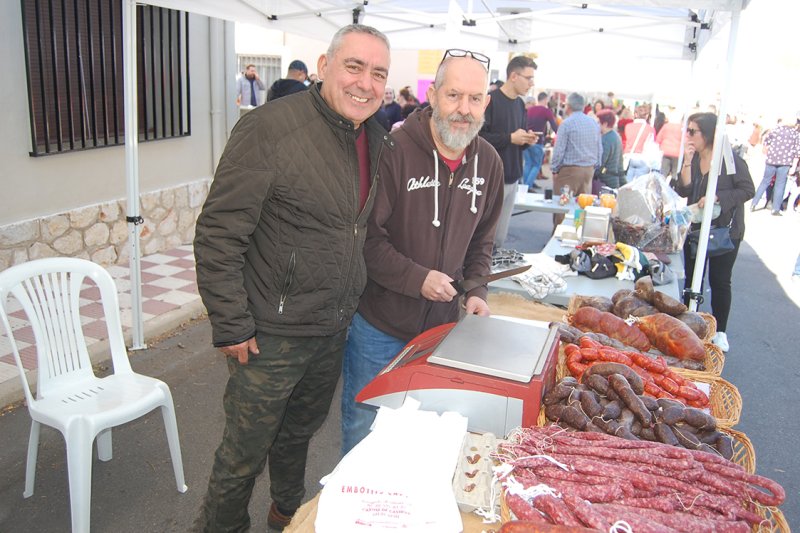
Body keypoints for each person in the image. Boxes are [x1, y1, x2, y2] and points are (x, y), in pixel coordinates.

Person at [192, 24, 392, 533]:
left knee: (299, 434)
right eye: (354, 67)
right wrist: (233, 324)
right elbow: (219, 232)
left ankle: (286, 515)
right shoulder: (270, 128)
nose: (365, 83)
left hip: (329, 329)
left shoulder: (374, 135)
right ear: (324, 67)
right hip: (269, 334)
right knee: (242, 453)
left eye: (378, 73)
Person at [340, 49, 504, 456]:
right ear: (433, 95)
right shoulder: (392, 151)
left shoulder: (490, 163)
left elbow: (483, 241)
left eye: (474, 98)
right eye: (453, 96)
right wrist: (418, 279)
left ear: (486, 103)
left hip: (442, 331)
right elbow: (366, 240)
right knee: (365, 424)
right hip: (380, 326)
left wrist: (477, 292)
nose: (463, 109)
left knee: (425, 432)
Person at [673, 112, 754, 353]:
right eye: (687, 130)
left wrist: (717, 197)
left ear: (707, 134)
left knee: (720, 281)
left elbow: (747, 189)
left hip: (725, 231)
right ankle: (689, 324)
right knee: (692, 278)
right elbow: (683, 189)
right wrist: (687, 162)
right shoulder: (694, 157)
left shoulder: (730, 161)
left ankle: (720, 332)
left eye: (692, 131)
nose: (688, 136)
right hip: (696, 228)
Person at [479, 55, 538, 250]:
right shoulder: (490, 101)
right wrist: (510, 138)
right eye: (528, 78)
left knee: (499, 239)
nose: (531, 83)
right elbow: (478, 138)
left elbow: (515, 139)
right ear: (514, 76)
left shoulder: (520, 104)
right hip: (491, 179)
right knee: (483, 237)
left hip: (513, 178)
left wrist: (526, 140)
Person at [550, 92, 602, 227]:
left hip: (569, 171)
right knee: (581, 208)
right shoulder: (593, 123)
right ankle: (577, 235)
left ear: (568, 106)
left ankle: (559, 236)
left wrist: (554, 169)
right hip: (588, 170)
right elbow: (599, 148)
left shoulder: (567, 124)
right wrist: (595, 166)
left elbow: (559, 150)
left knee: (562, 207)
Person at [750, 116, 800, 215]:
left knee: (765, 181)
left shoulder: (775, 130)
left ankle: (754, 203)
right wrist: (794, 166)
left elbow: (766, 142)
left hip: (771, 160)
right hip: (785, 162)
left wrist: (769, 153)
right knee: (780, 185)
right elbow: (797, 151)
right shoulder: (795, 134)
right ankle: (775, 208)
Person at [522, 91, 558, 190]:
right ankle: (527, 186)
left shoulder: (530, 110)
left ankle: (524, 186)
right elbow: (554, 126)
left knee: (528, 163)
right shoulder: (546, 111)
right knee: (537, 164)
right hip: (537, 140)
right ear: (545, 99)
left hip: (526, 139)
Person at [623, 104, 657, 182]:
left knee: (627, 185)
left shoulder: (628, 126)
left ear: (635, 114)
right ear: (647, 116)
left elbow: (625, 141)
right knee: (639, 186)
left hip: (628, 157)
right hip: (643, 158)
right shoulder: (651, 129)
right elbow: (653, 145)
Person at [595, 109, 625, 189]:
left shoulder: (605, 140)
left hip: (605, 182)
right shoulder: (616, 136)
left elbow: (600, 164)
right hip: (615, 180)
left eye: (598, 122)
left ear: (605, 124)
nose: (596, 125)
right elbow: (620, 163)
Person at [656, 111, 683, 181]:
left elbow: (658, 139)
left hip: (665, 152)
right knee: (675, 173)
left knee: (663, 174)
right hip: (677, 153)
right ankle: (673, 186)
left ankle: (661, 188)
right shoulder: (682, 128)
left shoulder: (666, 126)